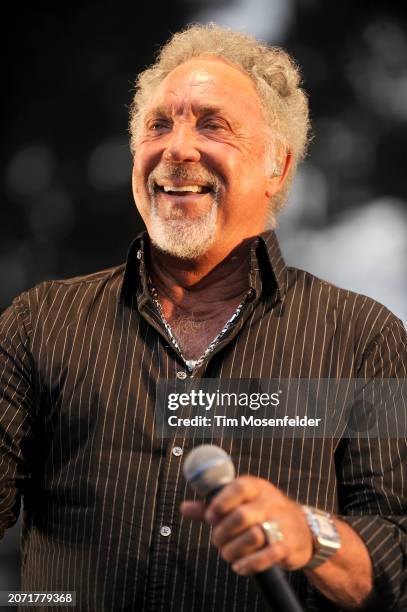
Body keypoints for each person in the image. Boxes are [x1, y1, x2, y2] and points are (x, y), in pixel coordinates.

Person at [0, 23, 406, 612]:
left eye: (212, 125)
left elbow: (397, 553)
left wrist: (308, 535)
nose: (177, 148)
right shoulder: (41, 322)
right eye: (158, 125)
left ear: (278, 167)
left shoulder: (365, 339)